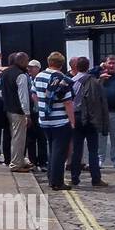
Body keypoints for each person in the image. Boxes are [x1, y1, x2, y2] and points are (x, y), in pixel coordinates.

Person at [34, 52, 75, 191]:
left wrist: (42, 106)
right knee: (59, 152)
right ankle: (57, 182)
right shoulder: (63, 79)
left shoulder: (39, 76)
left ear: (48, 61)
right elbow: (68, 102)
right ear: (62, 64)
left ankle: (51, 178)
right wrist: (72, 121)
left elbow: (34, 94)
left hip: (44, 119)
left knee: (52, 149)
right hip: (60, 121)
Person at [69, 56, 108, 187]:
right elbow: (102, 102)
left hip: (76, 117)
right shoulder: (95, 82)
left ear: (75, 67)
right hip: (91, 118)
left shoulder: (71, 81)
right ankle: (96, 179)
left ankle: (74, 178)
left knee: (77, 150)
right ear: (88, 66)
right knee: (93, 150)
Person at [0, 52, 32, 172]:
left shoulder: (5, 73)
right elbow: (23, 97)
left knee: (14, 137)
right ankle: (16, 164)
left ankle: (18, 160)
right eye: (27, 61)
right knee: (19, 138)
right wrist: (27, 114)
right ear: (22, 61)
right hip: (18, 111)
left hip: (8, 109)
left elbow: (1, 93)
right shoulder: (21, 75)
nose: (28, 64)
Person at [25, 59, 47, 170]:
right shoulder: (26, 79)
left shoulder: (42, 79)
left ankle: (43, 162)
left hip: (40, 112)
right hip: (30, 112)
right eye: (28, 67)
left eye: (32, 67)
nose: (29, 69)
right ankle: (32, 161)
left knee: (42, 138)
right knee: (30, 138)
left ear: (38, 68)